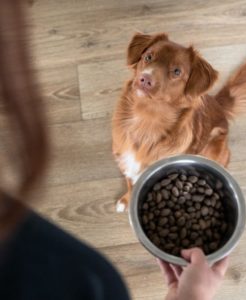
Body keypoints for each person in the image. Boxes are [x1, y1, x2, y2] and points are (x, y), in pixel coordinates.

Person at [0, 1, 228, 299]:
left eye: (174, 72)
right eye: (148, 58)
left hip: (196, 139)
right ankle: (132, 190)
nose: (148, 72)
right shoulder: (94, 284)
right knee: (131, 173)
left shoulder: (91, 282)